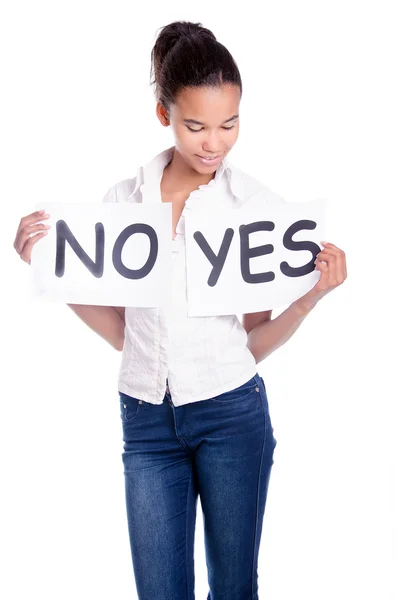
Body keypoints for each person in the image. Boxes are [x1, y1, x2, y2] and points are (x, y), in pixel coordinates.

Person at [13, 19, 347, 600]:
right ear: (165, 115)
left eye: (229, 124)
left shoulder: (253, 209)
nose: (213, 143)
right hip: (146, 420)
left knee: (234, 589)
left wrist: (311, 296)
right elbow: (124, 334)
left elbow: (254, 342)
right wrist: (52, 272)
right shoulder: (125, 201)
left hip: (231, 414)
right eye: (196, 126)